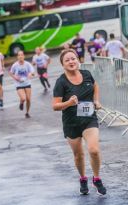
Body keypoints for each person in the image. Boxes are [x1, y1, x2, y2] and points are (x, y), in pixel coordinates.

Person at [52, 49, 107, 196]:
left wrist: (96, 100)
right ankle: (83, 178)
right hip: (71, 123)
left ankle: (96, 178)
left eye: (73, 58)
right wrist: (69, 103)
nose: (71, 62)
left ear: (78, 60)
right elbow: (55, 106)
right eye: (67, 60)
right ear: (63, 65)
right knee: (78, 155)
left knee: (94, 150)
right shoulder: (61, 82)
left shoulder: (87, 74)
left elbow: (95, 86)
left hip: (89, 118)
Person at [9, 51, 35, 118]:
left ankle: (27, 112)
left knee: (28, 99)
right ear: (17, 57)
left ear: (24, 56)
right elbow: (11, 72)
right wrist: (15, 77)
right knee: (23, 98)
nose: (20, 56)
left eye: (21, 55)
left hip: (27, 83)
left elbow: (33, 72)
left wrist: (30, 74)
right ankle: (21, 103)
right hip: (19, 84)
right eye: (19, 55)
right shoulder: (15, 65)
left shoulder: (27, 64)